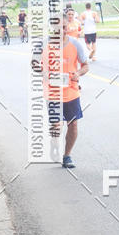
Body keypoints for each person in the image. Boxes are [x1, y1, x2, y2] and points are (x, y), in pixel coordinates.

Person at [42, 14, 89, 169]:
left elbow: (85, 65)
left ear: (66, 27)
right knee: (56, 125)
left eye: (63, 27)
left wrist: (78, 74)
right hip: (53, 92)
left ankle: (67, 155)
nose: (60, 31)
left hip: (71, 91)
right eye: (56, 28)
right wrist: (45, 73)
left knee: (73, 124)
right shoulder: (44, 46)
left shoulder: (75, 44)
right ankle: (54, 144)